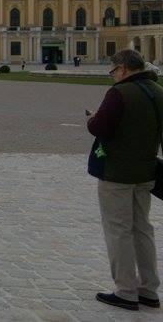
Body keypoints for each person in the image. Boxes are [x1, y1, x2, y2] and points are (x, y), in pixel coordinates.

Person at [86, 49, 163, 311]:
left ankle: (126, 291)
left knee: (119, 230)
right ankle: (149, 289)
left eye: (113, 71)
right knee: (142, 229)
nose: (113, 76)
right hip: (146, 172)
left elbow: (100, 127)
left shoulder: (119, 93)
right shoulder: (158, 91)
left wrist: (92, 118)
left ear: (123, 68)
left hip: (117, 173)